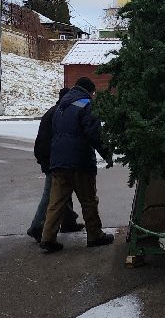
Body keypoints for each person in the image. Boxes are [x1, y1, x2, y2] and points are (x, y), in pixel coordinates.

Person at [39, 77, 114, 253]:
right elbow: (94, 132)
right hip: (80, 162)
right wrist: (107, 153)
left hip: (58, 162)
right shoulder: (86, 104)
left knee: (56, 202)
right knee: (88, 200)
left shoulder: (60, 106)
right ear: (89, 91)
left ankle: (47, 238)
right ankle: (95, 236)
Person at [26, 88, 82, 242]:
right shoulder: (59, 113)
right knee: (51, 194)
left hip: (50, 157)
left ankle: (69, 222)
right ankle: (36, 227)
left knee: (64, 190)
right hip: (52, 159)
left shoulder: (54, 111)